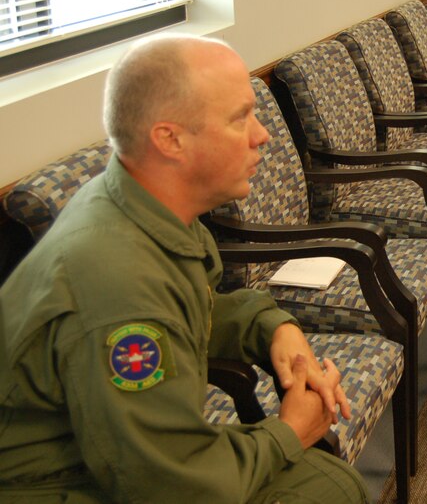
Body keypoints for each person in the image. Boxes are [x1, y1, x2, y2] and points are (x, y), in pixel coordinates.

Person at [0, 35, 369, 502]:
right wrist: (289, 432)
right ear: (169, 139)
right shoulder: (115, 280)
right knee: (325, 490)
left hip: (112, 456)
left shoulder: (139, 205)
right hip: (64, 483)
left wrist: (273, 327)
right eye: (240, 118)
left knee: (328, 483)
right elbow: (167, 485)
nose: (263, 135)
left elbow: (190, 307)